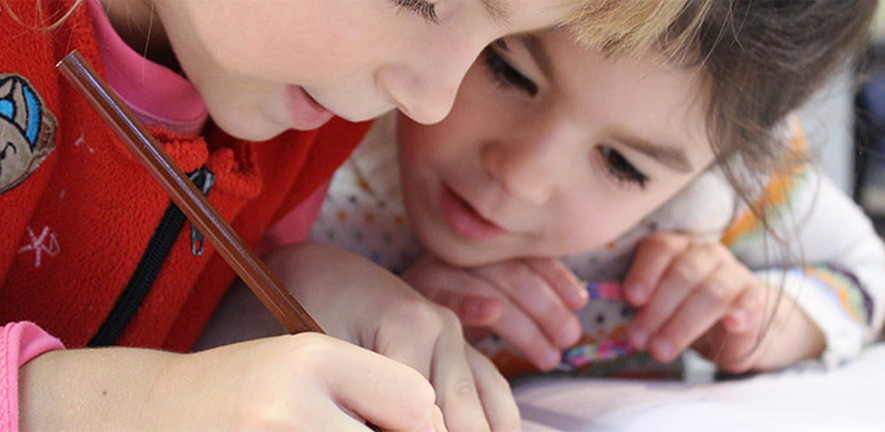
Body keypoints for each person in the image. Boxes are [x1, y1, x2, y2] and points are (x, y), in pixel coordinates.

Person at [0, 0, 704, 430]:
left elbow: (143, 328)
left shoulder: (305, 110)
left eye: (489, 46)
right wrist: (103, 409)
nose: (430, 102)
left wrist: (282, 299)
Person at [250, 0, 884, 379]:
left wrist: (775, 319)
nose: (522, 176)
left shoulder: (721, 194)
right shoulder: (324, 117)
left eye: (622, 163)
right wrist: (334, 312)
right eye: (507, 71)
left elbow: (868, 275)